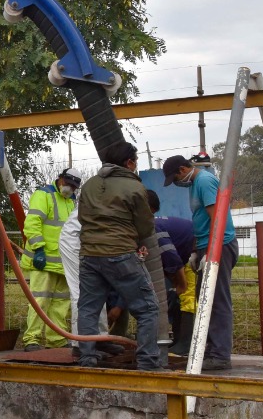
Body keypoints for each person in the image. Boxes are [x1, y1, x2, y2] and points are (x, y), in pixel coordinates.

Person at [75, 142, 163, 371]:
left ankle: (87, 359)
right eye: (136, 162)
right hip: (120, 254)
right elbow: (145, 226)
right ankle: (148, 362)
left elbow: (83, 219)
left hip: (89, 255)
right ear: (129, 162)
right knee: (147, 309)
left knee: (88, 308)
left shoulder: (89, 185)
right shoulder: (134, 187)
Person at [162, 154, 239, 371]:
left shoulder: (204, 181)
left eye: (176, 177)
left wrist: (212, 251)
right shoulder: (193, 185)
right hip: (209, 245)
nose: (176, 183)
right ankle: (210, 350)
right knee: (203, 299)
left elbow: (217, 216)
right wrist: (197, 250)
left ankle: (221, 355)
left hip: (220, 245)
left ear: (184, 169)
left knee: (217, 300)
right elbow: (200, 221)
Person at [20, 167, 81, 350]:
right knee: (40, 301)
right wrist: (38, 249)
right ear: (60, 179)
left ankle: (57, 339)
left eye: (73, 186)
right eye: (68, 184)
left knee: (61, 304)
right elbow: (32, 223)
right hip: (44, 260)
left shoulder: (71, 201)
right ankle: (32, 339)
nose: (69, 188)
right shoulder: (43, 195)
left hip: (63, 262)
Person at [146, 190, 196, 356]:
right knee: (177, 298)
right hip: (185, 254)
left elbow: (172, 258)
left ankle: (186, 345)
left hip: (196, 252)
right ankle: (179, 340)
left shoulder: (152, 228)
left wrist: (180, 284)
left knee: (188, 297)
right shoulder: (148, 226)